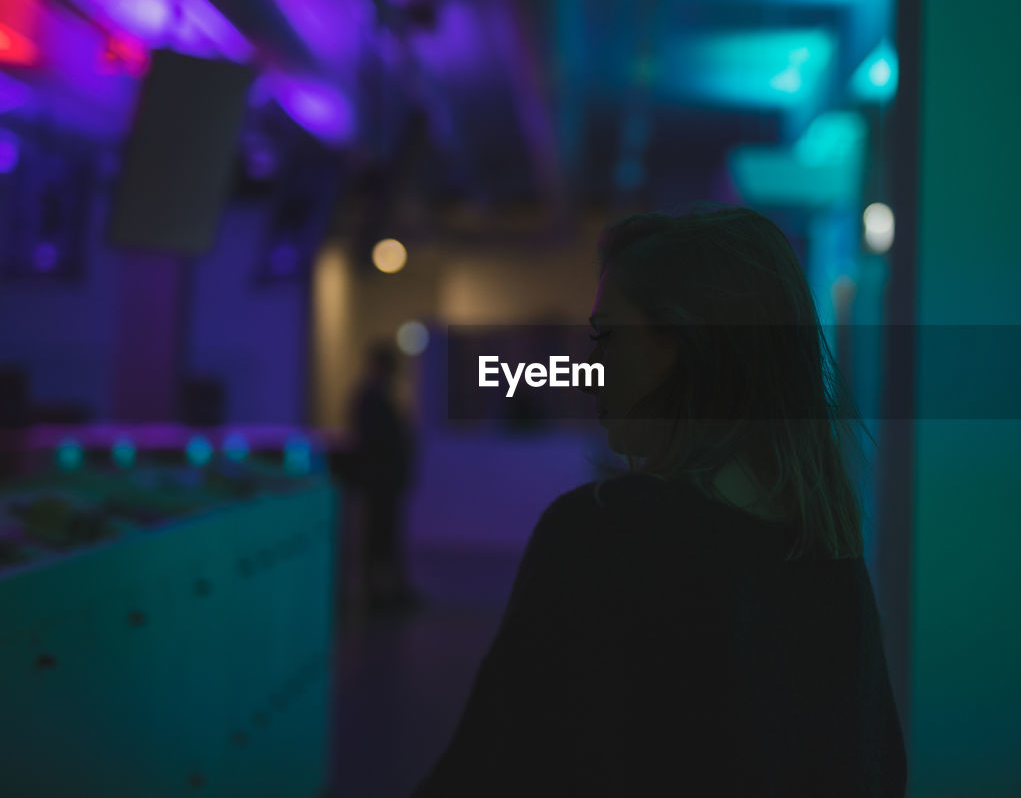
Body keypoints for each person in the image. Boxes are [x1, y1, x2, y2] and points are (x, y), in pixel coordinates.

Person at [413, 206, 906, 796]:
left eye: (608, 337)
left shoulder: (601, 536)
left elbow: (487, 773)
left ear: (680, 343)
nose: (591, 365)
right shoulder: (833, 558)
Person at [349, 341, 420, 612]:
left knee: (383, 536)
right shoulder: (372, 397)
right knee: (378, 537)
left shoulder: (377, 396)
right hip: (380, 479)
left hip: (383, 479)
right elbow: (379, 441)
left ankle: (384, 592)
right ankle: (378, 594)